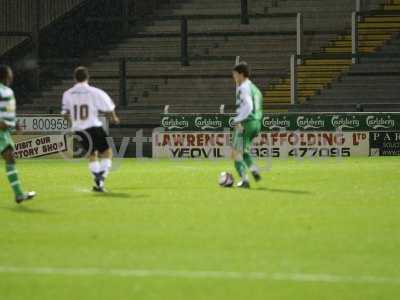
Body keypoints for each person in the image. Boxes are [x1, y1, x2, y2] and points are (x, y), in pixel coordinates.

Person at [61, 66, 120, 192]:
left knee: (92, 155)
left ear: (74, 78)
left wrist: (73, 124)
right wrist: (113, 118)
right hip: (94, 126)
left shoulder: (67, 94)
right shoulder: (95, 92)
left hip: (79, 130)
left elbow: (64, 114)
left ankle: (98, 183)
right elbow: (109, 107)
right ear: (88, 77)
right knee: (107, 152)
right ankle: (101, 177)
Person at [0, 65, 36, 203]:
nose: (12, 76)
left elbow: (8, 110)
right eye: (10, 73)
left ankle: (19, 194)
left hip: (3, 132)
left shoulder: (7, 91)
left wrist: (15, 122)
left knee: (10, 159)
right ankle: (19, 194)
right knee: (10, 158)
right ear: (5, 75)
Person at [231, 62, 263, 188]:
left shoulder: (243, 87)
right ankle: (254, 170)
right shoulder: (255, 88)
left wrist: (238, 120)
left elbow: (249, 106)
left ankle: (245, 180)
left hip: (246, 122)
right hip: (256, 123)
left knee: (236, 153)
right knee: (244, 152)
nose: (234, 77)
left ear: (241, 74)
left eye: (235, 74)